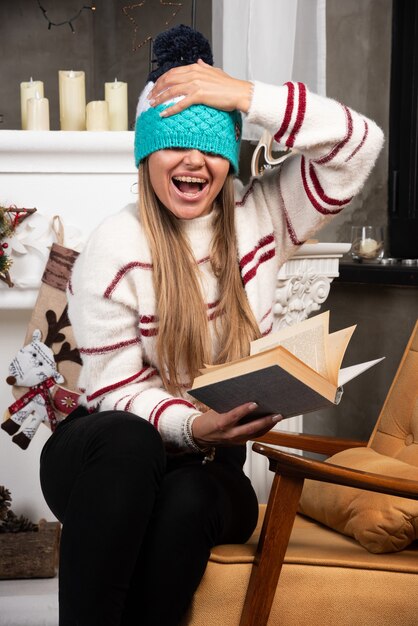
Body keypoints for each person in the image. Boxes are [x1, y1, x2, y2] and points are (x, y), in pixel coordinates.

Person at [40, 24, 384, 626]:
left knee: (189, 496)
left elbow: (360, 144)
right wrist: (197, 425)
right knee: (130, 440)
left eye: (211, 147)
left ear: (228, 159)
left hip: (208, 470)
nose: (194, 161)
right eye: (174, 145)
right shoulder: (114, 246)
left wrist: (249, 95)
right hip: (103, 458)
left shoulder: (264, 217)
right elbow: (113, 393)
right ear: (147, 156)